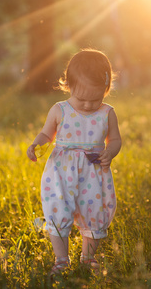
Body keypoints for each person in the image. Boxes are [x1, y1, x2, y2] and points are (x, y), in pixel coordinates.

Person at [27, 49, 122, 275]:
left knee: (94, 212)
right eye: (82, 99)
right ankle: (61, 259)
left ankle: (88, 257)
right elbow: (46, 134)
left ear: (106, 89)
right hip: (61, 173)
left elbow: (116, 139)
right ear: (68, 86)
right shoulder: (60, 110)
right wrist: (35, 145)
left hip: (94, 172)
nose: (89, 105)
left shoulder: (107, 113)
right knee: (58, 211)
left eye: (96, 99)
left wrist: (110, 152)